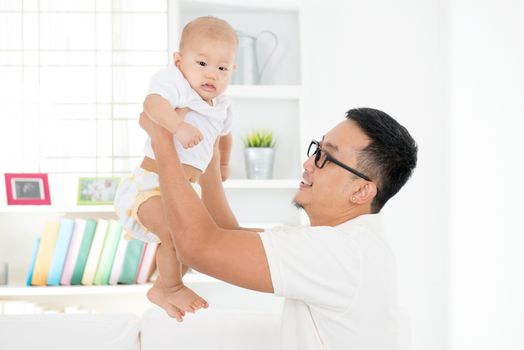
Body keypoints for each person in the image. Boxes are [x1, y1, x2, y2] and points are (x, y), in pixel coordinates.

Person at [139, 106, 418, 348]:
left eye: (326, 158)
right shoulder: (346, 243)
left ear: (361, 191)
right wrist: (209, 158)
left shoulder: (340, 252)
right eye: (316, 149)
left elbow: (199, 248)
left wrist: (162, 140)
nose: (309, 163)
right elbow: (225, 236)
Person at [113, 16, 237, 321]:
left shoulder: (221, 103)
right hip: (148, 186)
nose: (212, 75)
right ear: (179, 62)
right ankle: (169, 286)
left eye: (222, 68)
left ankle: (162, 286)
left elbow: (225, 135)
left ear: (232, 70)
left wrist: (222, 163)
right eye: (202, 63)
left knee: (190, 242)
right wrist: (177, 126)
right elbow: (152, 105)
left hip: (184, 189)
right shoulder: (177, 84)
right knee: (174, 232)